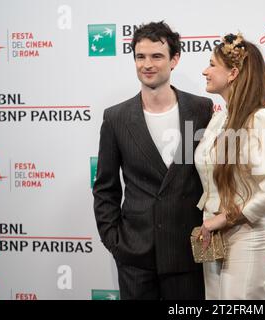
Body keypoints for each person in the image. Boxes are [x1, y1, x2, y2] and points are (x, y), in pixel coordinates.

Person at [93, 21, 213, 300]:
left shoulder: (201, 109)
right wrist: (115, 241)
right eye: (140, 56)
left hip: (188, 253)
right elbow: (105, 188)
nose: (147, 64)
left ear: (174, 60)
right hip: (135, 255)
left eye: (156, 56)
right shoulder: (116, 118)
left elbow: (213, 176)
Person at [195, 33, 265, 299]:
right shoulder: (218, 120)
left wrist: (224, 219)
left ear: (233, 73)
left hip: (247, 239)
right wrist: (211, 223)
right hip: (212, 239)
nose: (205, 70)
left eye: (212, 64)